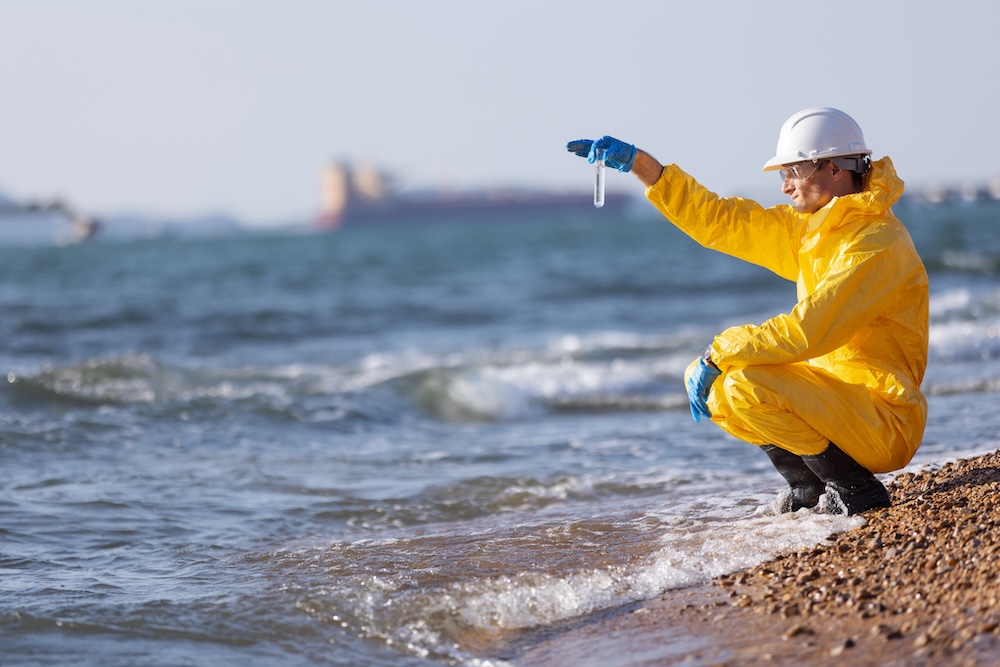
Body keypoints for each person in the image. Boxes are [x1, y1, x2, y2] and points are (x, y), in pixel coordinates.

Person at [567, 107, 929, 515]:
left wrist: (718, 350)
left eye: (793, 172)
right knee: (712, 384)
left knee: (742, 381)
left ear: (832, 169)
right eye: (783, 175)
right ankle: (810, 488)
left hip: (883, 419)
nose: (786, 187)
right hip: (835, 406)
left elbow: (808, 331)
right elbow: (719, 221)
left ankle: (855, 488)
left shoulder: (877, 243)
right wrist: (643, 165)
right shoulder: (812, 231)